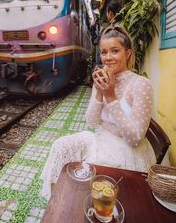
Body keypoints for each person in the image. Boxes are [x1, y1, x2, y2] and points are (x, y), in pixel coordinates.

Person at [40, 25, 156, 198]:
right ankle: (59, 199)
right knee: (60, 146)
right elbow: (92, 122)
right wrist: (100, 93)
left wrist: (110, 97)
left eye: (115, 51)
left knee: (91, 177)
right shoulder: (102, 79)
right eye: (103, 52)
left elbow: (134, 139)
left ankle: (78, 204)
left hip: (126, 150)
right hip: (100, 138)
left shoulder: (141, 84)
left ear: (128, 53)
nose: (108, 58)